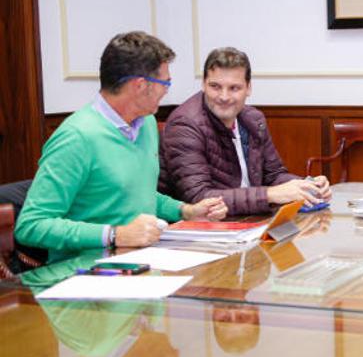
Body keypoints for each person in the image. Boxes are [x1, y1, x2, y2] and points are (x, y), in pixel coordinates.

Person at [15, 32, 226, 262]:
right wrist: (114, 235)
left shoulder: (146, 123)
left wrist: (186, 211)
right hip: (84, 277)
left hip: (141, 264)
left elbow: (135, 194)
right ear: (141, 85)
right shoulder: (76, 137)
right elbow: (31, 225)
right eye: (165, 82)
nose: (167, 90)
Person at [159, 47, 330, 215]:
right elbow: (198, 198)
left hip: (249, 221)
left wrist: (305, 186)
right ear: (203, 84)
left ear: (248, 88)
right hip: (206, 231)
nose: (224, 97)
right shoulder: (184, 125)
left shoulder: (254, 119)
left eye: (234, 88)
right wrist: (270, 195)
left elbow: (274, 175)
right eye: (215, 86)